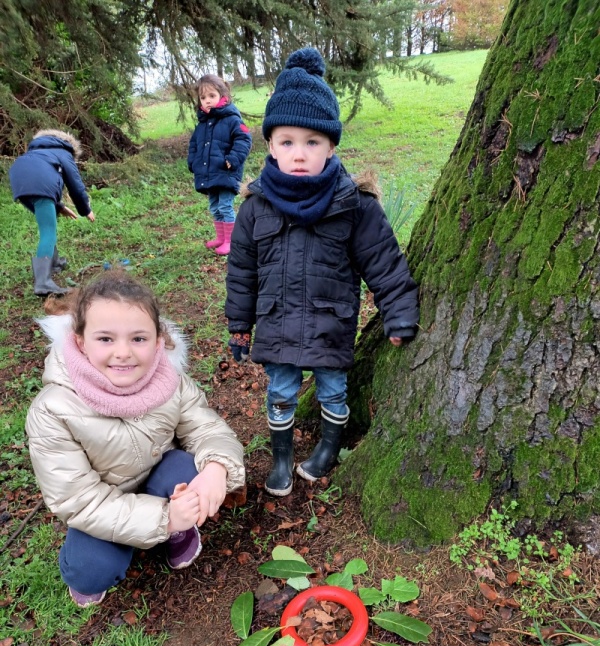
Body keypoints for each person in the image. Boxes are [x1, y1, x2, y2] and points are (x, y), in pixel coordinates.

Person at [225, 48, 419, 497]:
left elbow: (383, 262)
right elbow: (242, 271)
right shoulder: (255, 208)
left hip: (330, 322)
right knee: (280, 390)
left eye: (312, 142)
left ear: (331, 146)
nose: (299, 154)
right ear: (271, 146)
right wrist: (239, 324)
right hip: (277, 321)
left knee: (333, 389)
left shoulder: (353, 205)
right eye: (287, 142)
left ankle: (328, 449)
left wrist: (399, 314)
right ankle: (281, 458)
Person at [26, 272, 245, 607]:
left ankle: (178, 528)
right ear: (80, 342)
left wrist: (217, 467)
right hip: (102, 502)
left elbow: (207, 429)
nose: (123, 352)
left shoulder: (169, 380)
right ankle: (119, 549)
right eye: (106, 339)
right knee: (91, 571)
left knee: (189, 468)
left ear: (158, 341)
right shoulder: (53, 410)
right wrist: (165, 517)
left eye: (138, 338)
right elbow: (78, 500)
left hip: (159, 476)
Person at [9, 129, 95, 297]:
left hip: (19, 184)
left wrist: (59, 207)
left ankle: (54, 262)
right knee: (48, 231)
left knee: (48, 221)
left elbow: (37, 176)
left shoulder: (35, 153)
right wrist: (86, 209)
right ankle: (43, 283)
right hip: (40, 187)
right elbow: (75, 185)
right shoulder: (64, 152)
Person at [188, 75, 252, 256]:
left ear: (222, 96)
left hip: (226, 171)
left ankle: (231, 240)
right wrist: (192, 162)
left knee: (225, 206)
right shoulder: (202, 125)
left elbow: (244, 139)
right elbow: (194, 145)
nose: (207, 101)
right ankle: (221, 238)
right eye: (203, 97)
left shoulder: (232, 119)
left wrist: (233, 158)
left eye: (212, 96)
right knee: (214, 207)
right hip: (209, 173)